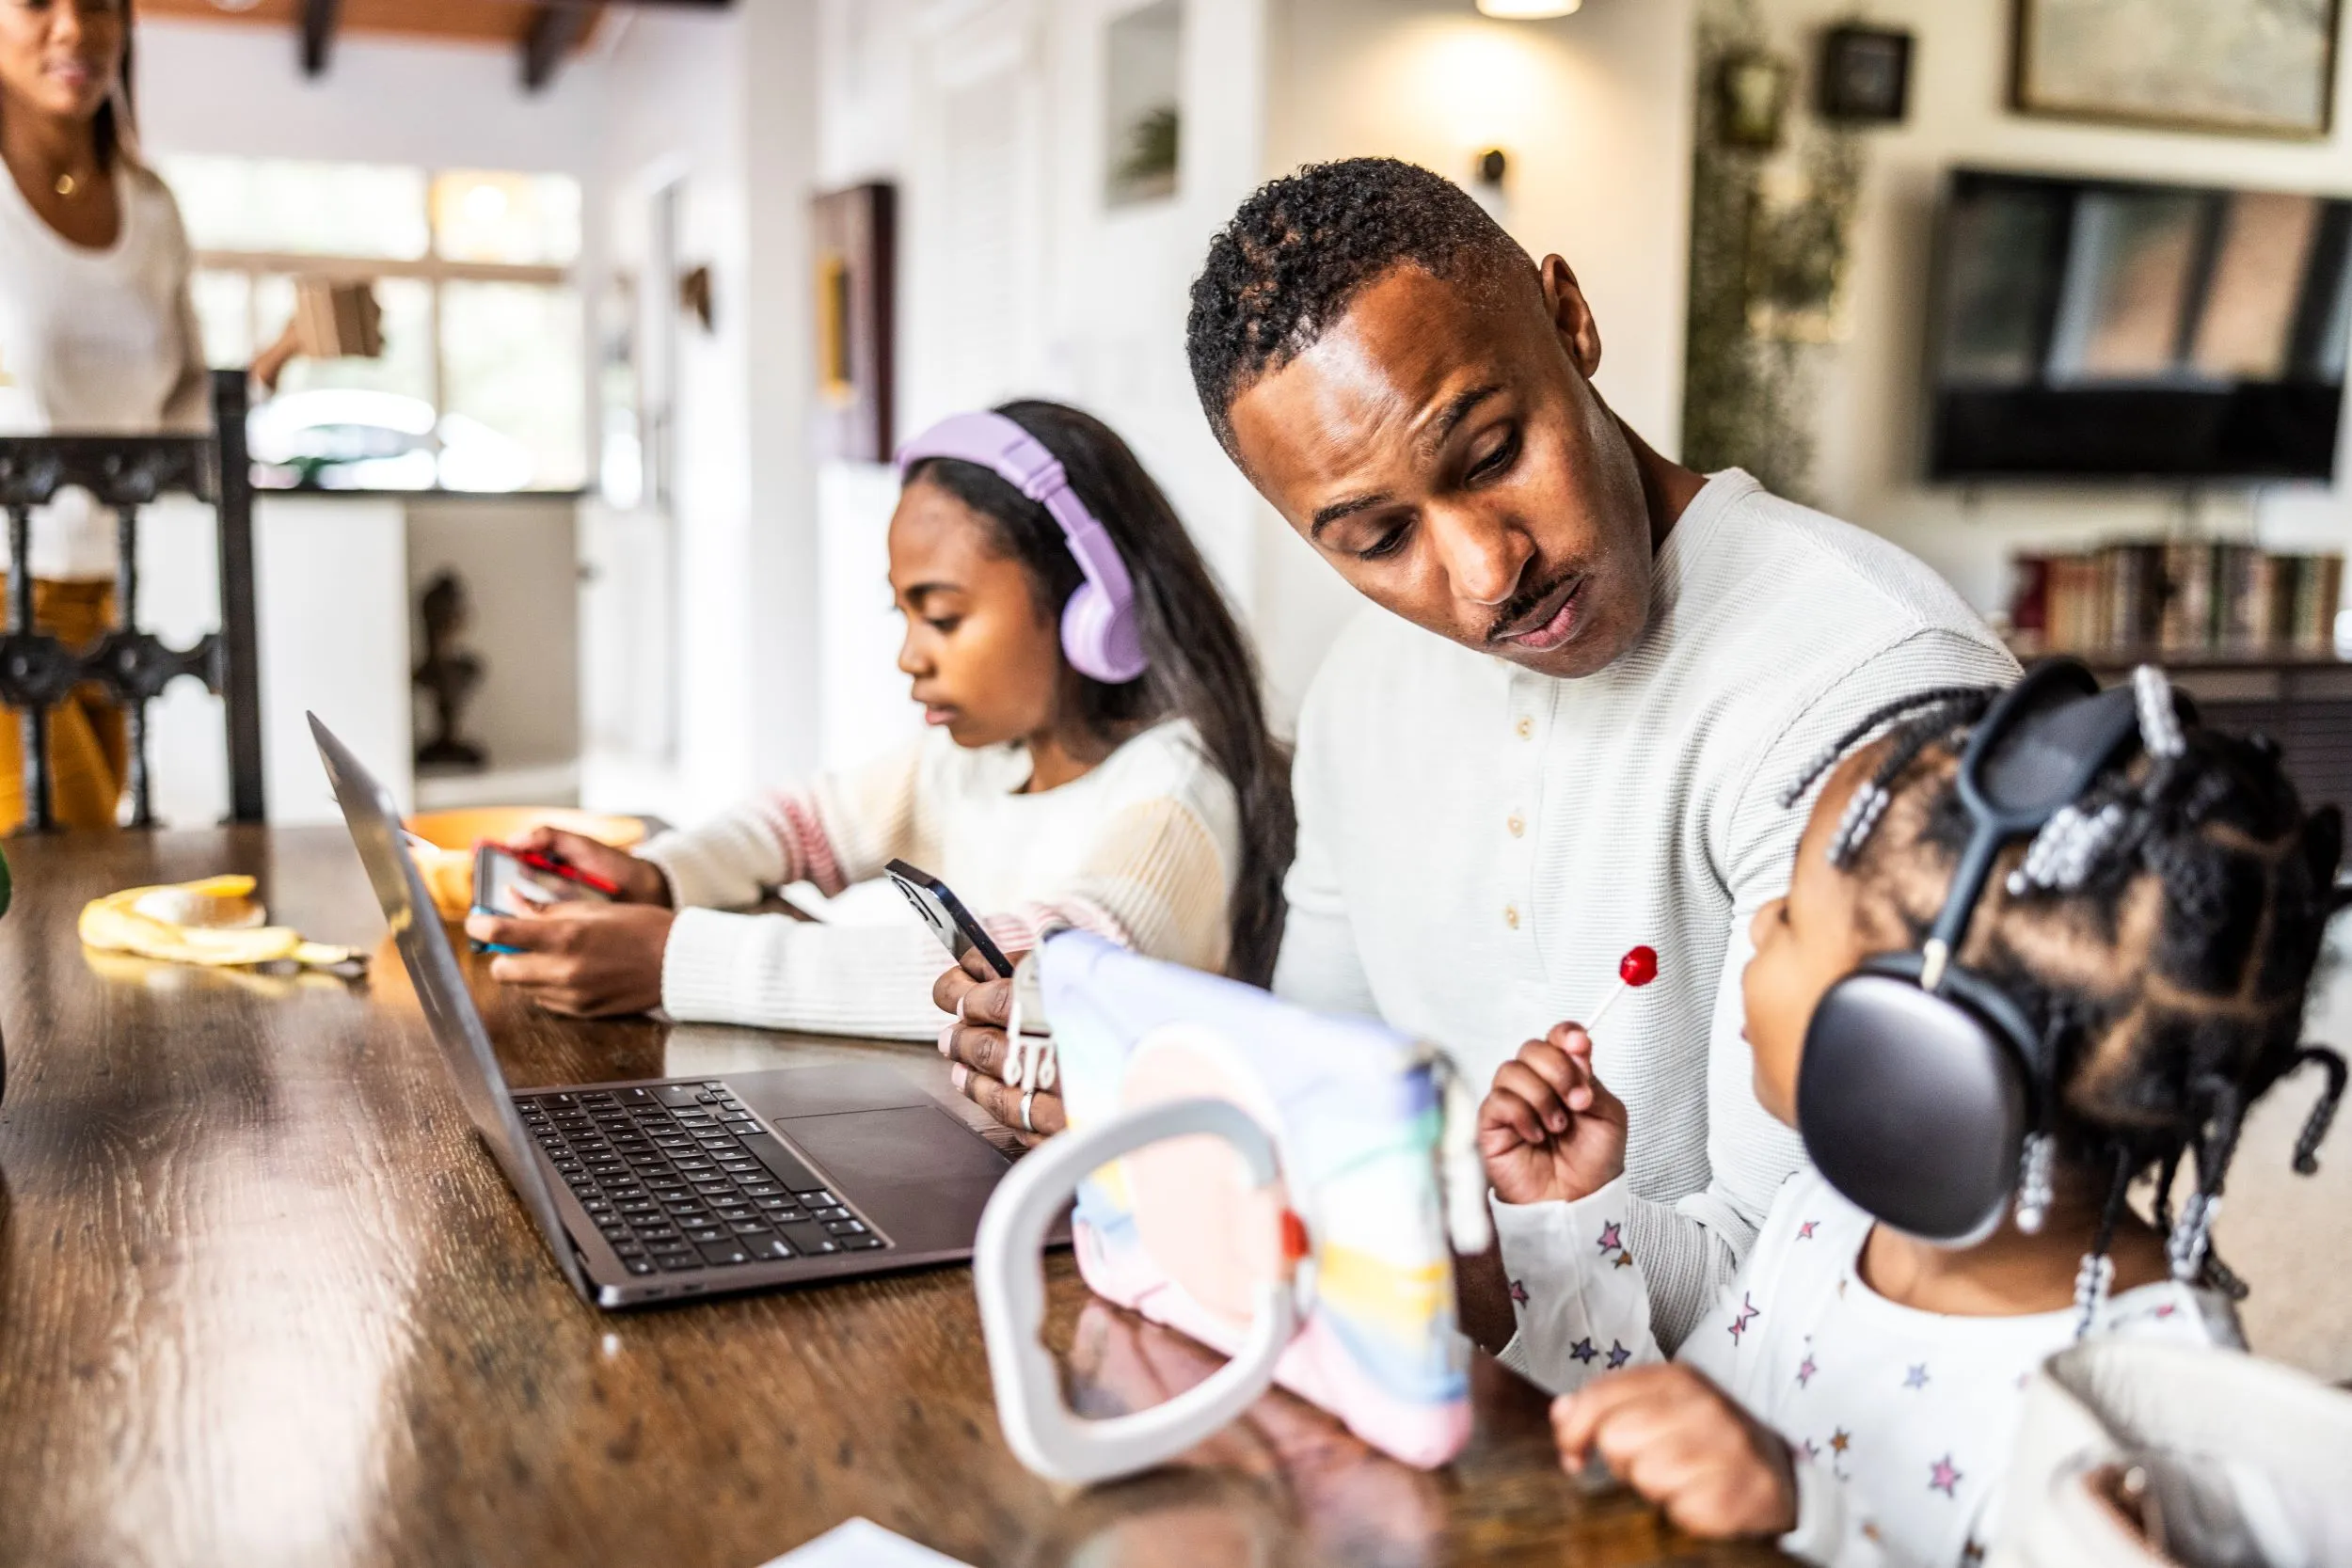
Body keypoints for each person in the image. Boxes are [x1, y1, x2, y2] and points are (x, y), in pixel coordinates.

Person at [939, 157, 2017, 1343]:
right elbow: (1326, 1082)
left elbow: (1807, 1302)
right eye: (1380, 536)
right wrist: (1147, 1103)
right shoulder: (1361, 691)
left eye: (1493, 451)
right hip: (1454, 1392)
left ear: (1569, 317)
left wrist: (1229, 1176)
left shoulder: (1870, 685)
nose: (1485, 571)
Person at [1481, 667, 2344, 1564]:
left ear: (1912, 1050)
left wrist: (1802, 1517)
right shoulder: (1829, 1218)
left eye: (1797, 916)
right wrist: (1573, 1224)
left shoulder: (2158, 1417)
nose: (1763, 914)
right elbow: (1657, 1454)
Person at [469, 400, 1295, 1053]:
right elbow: (800, 824)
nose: (909, 656)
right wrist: (656, 878)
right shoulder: (971, 759)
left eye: (941, 616)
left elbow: (1037, 972)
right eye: (902, 613)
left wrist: (673, 958)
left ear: (1093, 607)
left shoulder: (1177, 790)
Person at [0, 0, 199, 830]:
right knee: (70, 858)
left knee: (89, 864)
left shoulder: (152, 208)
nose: (77, 29)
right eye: (39, 0)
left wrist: (286, 350)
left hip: (106, 591)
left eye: (102, 3)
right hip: (0, 585)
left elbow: (185, 410)